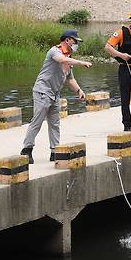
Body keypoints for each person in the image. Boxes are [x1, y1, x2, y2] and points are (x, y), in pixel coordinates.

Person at [20, 29, 92, 164]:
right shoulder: (55, 51)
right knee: (37, 121)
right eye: (75, 41)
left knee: (55, 124)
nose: (76, 44)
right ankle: (27, 149)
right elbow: (61, 59)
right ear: (67, 40)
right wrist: (81, 62)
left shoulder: (68, 57)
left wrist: (79, 91)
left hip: (54, 94)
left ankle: (54, 151)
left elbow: (70, 79)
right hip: (43, 91)